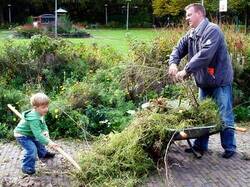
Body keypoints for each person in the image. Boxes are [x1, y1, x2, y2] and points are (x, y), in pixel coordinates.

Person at [168, 3, 236, 158]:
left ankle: (229, 148)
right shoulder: (191, 33)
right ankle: (200, 145)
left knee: (224, 115)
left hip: (219, 82)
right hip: (204, 83)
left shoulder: (213, 30)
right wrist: (173, 63)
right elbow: (178, 48)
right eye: (186, 15)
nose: (186, 18)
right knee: (202, 115)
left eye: (189, 15)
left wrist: (186, 70)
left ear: (199, 14)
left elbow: (204, 55)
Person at [14, 92, 59, 175]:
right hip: (22, 135)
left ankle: (43, 154)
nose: (46, 109)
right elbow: (38, 135)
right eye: (43, 107)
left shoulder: (41, 113)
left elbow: (43, 124)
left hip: (31, 133)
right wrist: (49, 142)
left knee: (39, 142)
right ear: (35, 108)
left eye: (47, 106)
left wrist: (45, 131)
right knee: (32, 150)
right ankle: (27, 167)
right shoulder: (34, 118)